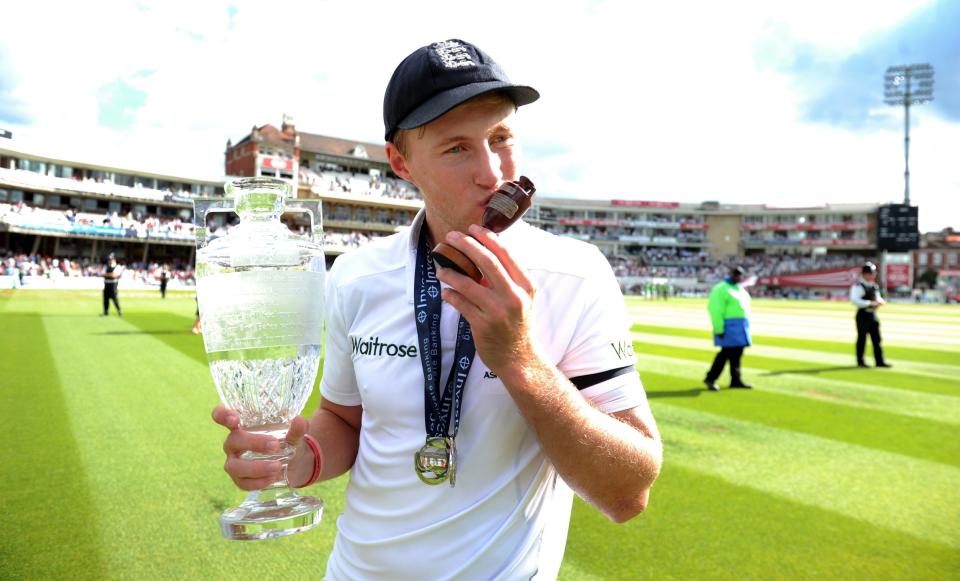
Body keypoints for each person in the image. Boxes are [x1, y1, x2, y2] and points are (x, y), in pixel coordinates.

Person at [212, 39, 662, 579]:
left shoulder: (575, 274)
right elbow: (345, 421)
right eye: (457, 148)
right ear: (401, 163)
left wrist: (520, 360)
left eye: (501, 137)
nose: (492, 173)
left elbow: (628, 493)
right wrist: (296, 459)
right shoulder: (358, 276)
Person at [704, 266, 752, 391]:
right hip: (729, 326)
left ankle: (736, 380)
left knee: (737, 354)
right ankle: (710, 378)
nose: (737, 277)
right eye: (735, 274)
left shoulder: (740, 289)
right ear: (730, 274)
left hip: (740, 327)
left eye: (740, 274)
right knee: (725, 354)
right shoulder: (721, 289)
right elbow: (715, 310)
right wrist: (719, 328)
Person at [850, 262, 890, 368]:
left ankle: (879, 361)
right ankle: (861, 361)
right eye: (872, 273)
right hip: (863, 315)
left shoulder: (874, 286)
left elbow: (877, 297)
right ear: (865, 274)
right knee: (862, 339)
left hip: (873, 315)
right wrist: (870, 303)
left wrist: (880, 302)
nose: (874, 275)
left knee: (877, 339)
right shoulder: (858, 286)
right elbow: (855, 300)